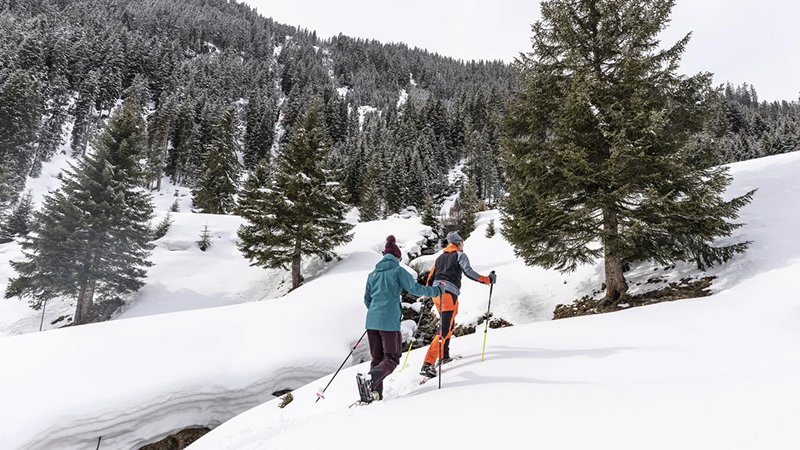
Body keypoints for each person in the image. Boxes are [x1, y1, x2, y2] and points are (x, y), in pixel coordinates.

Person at [362, 235, 443, 400]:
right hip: (389, 323)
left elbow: (367, 299)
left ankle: (375, 393)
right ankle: (374, 375)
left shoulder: (372, 275)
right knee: (392, 358)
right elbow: (414, 289)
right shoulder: (398, 271)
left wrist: (376, 313)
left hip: (371, 322)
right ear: (397, 257)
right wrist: (436, 291)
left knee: (377, 358)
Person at [420, 231, 495, 378]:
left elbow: (430, 278)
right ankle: (427, 364)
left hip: (437, 294)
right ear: (458, 243)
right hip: (447, 294)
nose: (463, 245)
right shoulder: (460, 255)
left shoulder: (440, 258)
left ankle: (443, 356)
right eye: (462, 243)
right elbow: (469, 272)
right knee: (444, 329)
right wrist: (487, 280)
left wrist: (428, 294)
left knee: (449, 324)